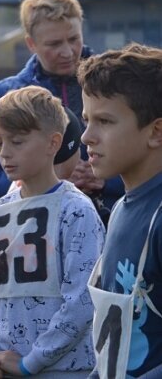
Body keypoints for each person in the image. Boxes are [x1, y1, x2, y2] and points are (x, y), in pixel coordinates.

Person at [0, 85, 104, 378]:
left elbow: (83, 299)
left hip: (66, 371)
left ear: (53, 143)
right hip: (4, 366)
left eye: (17, 141)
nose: (4, 153)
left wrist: (31, 362)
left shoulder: (76, 211)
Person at [0, 0, 123, 219]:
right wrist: (50, 180)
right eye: (54, 44)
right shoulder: (7, 94)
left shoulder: (118, 83)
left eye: (73, 39)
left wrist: (105, 180)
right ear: (31, 43)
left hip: (112, 230)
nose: (67, 51)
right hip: (40, 241)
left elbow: (153, 162)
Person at [78, 43, 162, 377]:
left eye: (105, 121)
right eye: (86, 120)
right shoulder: (122, 208)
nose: (86, 136)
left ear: (156, 132)